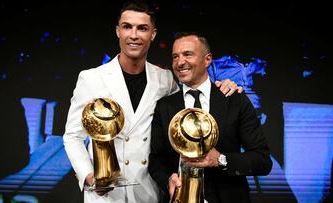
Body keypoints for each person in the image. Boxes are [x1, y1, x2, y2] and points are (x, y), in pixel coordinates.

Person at [63, 1, 241, 203]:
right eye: (127, 27)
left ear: (153, 34)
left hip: (149, 192)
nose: (134, 35)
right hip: (104, 195)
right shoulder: (91, 78)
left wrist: (223, 85)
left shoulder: (165, 79)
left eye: (142, 28)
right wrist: (87, 175)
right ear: (117, 31)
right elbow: (72, 136)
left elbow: (193, 96)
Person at [148, 32, 273, 203]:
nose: (180, 62)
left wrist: (220, 160)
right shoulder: (165, 106)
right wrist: (168, 180)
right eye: (175, 57)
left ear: (207, 59)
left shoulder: (234, 99)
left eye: (188, 54)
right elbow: (155, 160)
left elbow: (262, 160)